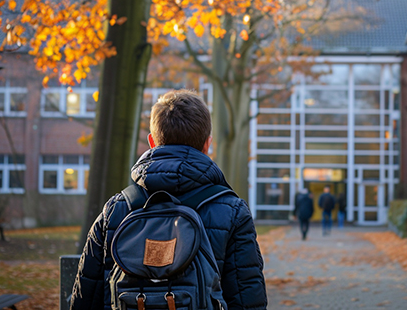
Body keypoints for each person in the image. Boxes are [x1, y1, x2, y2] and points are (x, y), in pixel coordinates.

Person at [70, 89, 267, 310]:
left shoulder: (116, 209)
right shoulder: (233, 212)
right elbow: (247, 300)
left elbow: (84, 299)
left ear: (152, 141)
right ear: (207, 144)